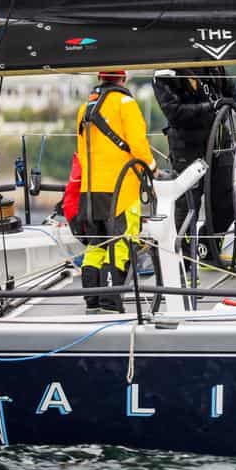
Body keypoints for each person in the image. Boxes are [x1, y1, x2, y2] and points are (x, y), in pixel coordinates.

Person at [75, 70, 156, 313]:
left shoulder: (85, 107)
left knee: (95, 246)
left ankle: (92, 302)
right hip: (121, 189)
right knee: (120, 245)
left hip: (89, 191)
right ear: (124, 78)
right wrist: (152, 168)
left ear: (101, 78)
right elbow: (138, 144)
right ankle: (110, 302)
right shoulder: (125, 103)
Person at [152, 66, 236, 264]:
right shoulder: (164, 74)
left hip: (219, 143)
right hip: (187, 148)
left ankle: (209, 247)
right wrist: (211, 106)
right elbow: (174, 112)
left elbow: (230, 90)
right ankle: (183, 260)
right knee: (188, 205)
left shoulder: (213, 65)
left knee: (229, 201)